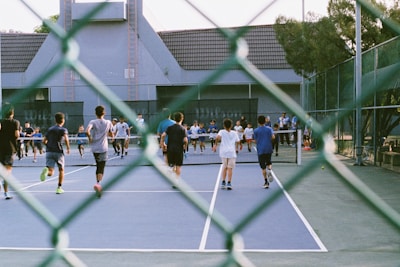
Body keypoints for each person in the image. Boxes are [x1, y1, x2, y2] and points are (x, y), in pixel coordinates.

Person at [86, 105, 114, 198]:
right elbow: (111, 133)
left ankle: (98, 183)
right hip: (103, 148)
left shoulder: (92, 122)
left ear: (95, 113)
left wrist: (90, 138)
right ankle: (98, 184)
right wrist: (112, 137)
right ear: (104, 113)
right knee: (101, 167)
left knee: (98, 165)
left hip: (94, 148)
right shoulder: (108, 122)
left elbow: (87, 131)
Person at [40, 112, 70, 194]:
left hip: (49, 152)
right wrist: (68, 148)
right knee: (61, 170)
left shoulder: (50, 129)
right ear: (63, 120)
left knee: (51, 172)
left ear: (55, 120)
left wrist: (48, 145)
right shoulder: (63, 130)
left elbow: (44, 141)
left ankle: (46, 172)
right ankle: (59, 187)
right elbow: (66, 139)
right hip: (58, 152)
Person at [160, 112, 188, 189]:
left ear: (174, 119)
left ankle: (170, 171)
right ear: (182, 119)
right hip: (179, 150)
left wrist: (163, 144)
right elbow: (185, 140)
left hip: (170, 149)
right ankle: (176, 181)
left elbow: (163, 135)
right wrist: (185, 147)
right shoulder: (183, 129)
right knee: (178, 166)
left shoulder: (170, 128)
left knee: (172, 165)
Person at [212, 118, 240, 190]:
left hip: (223, 152)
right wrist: (238, 147)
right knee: (230, 168)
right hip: (231, 153)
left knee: (224, 167)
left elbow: (217, 138)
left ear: (224, 126)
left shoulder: (221, 131)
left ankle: (223, 182)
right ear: (231, 125)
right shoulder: (234, 133)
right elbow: (238, 141)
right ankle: (229, 183)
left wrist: (215, 145)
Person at [0, 103, 20, 199]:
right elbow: (17, 135)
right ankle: (6, 192)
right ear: (12, 112)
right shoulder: (15, 122)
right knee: (7, 171)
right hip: (10, 149)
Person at [254, 115, 275, 189]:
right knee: (269, 162)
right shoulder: (269, 129)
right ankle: (269, 170)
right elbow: (273, 137)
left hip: (261, 150)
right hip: (268, 149)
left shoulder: (256, 130)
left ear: (258, 122)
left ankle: (266, 182)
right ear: (265, 121)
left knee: (263, 168)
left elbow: (256, 141)